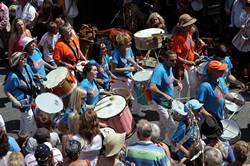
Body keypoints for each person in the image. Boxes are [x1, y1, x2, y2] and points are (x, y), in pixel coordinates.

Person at [149, 50, 182, 140]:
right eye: (172, 60)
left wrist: (177, 81)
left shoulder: (170, 66)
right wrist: (165, 95)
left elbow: (170, 78)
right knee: (171, 126)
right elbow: (152, 86)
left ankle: (158, 139)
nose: (174, 62)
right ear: (165, 59)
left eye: (175, 60)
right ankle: (174, 147)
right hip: (160, 102)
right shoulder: (159, 70)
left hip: (168, 101)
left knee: (163, 123)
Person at [4, 52, 37, 134]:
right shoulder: (13, 76)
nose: (25, 59)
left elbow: (31, 77)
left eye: (25, 57)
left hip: (31, 96)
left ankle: (22, 135)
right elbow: (6, 90)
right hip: (23, 101)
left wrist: (36, 76)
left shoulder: (27, 67)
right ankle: (30, 138)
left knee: (24, 118)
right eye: (21, 59)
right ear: (16, 62)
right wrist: (15, 101)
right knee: (30, 119)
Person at [171, 13, 198, 99]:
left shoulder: (189, 33)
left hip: (191, 64)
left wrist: (195, 54)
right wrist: (188, 62)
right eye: (190, 24)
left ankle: (193, 103)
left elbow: (190, 47)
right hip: (182, 66)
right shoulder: (178, 38)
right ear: (184, 26)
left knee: (194, 84)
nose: (192, 25)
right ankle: (182, 106)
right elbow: (176, 56)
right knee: (185, 86)